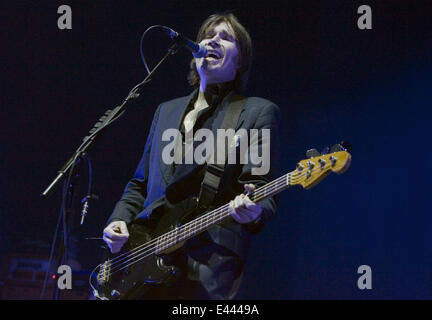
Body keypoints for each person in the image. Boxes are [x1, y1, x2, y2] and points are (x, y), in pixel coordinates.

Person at [102, 12, 281, 299]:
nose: (213, 40)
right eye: (208, 36)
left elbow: (262, 188)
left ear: (240, 62)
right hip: (143, 254)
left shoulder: (257, 111)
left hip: (207, 260)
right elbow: (139, 184)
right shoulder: (166, 111)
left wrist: (255, 210)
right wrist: (118, 220)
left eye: (226, 38)